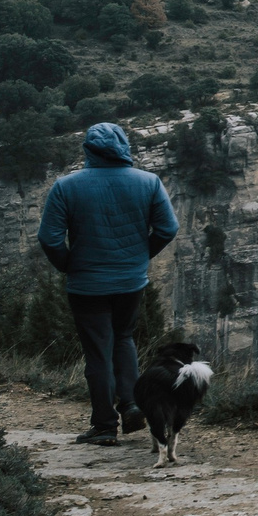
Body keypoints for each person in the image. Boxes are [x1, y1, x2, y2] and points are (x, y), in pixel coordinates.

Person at [37, 122, 181, 445]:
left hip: (87, 285)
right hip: (131, 281)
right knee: (124, 337)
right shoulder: (149, 182)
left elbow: (49, 238)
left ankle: (104, 425)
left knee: (97, 351)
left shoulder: (66, 187)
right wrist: (142, 256)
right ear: (124, 147)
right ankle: (130, 403)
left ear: (88, 151)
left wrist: (68, 265)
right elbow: (168, 228)